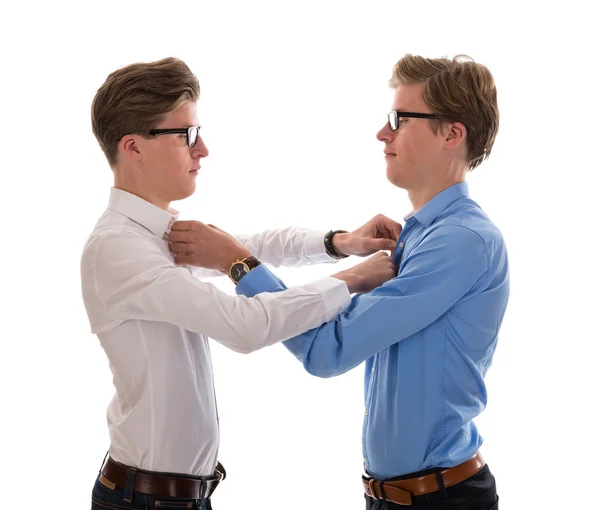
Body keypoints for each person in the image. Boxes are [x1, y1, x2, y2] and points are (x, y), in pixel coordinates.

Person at [173, 54, 508, 510]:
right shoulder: (420, 237)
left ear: (452, 134)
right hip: (403, 496)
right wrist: (342, 247)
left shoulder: (460, 242)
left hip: (440, 499)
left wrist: (239, 265)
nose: (382, 133)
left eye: (399, 118)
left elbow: (328, 349)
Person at [81, 56, 401, 510]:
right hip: (144, 499)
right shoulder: (119, 248)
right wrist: (350, 280)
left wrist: (340, 242)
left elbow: (254, 245)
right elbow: (244, 326)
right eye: (187, 134)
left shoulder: (153, 233)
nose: (203, 149)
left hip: (171, 495)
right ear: (133, 146)